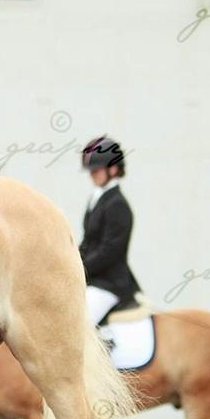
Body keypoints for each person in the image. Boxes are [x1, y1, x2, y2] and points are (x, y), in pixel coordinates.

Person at [79, 136, 141, 325]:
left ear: (113, 169)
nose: (92, 175)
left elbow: (109, 252)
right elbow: (88, 242)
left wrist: (81, 268)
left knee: (80, 323)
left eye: (96, 170)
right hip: (94, 280)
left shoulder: (118, 205)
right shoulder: (97, 199)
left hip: (109, 284)